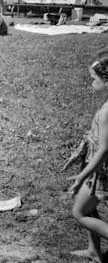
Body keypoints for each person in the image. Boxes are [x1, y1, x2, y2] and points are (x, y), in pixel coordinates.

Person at [66, 52, 108, 263]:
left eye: (94, 79)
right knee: (87, 207)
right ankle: (94, 251)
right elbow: (94, 137)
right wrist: (79, 153)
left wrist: (82, 176)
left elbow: (103, 150)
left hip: (99, 170)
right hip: (93, 164)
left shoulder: (107, 111)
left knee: (80, 212)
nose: (91, 83)